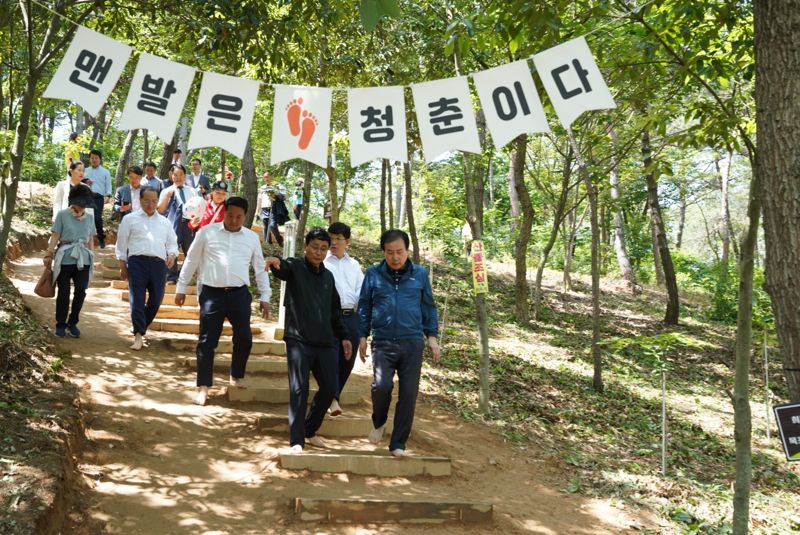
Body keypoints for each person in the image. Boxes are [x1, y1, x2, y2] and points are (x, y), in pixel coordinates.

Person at [175, 197, 271, 406]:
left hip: (239, 295)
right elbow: (191, 259)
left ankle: (236, 375)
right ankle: (203, 387)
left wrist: (265, 296)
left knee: (244, 339)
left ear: (245, 217)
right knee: (207, 342)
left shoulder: (251, 238)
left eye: (239, 217)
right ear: (224, 213)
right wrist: (181, 288)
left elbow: (260, 266)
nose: (234, 220)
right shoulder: (207, 232)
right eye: (230, 215)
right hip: (212, 294)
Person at [265, 228, 352, 452]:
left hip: (324, 342)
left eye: (323, 249)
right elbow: (283, 268)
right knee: (298, 388)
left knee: (330, 388)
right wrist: (276, 262)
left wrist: (343, 337)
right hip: (298, 339)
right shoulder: (296, 266)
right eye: (314, 247)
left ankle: (309, 429)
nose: (318, 252)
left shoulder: (328, 276)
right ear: (306, 246)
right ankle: (297, 440)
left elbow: (335, 311)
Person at [358, 229, 440, 457]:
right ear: (383, 252)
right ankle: (379, 420)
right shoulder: (373, 273)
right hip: (383, 341)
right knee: (381, 386)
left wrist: (432, 337)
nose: (395, 257)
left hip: (412, 342)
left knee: (409, 393)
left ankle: (398, 443)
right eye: (390, 252)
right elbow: (364, 305)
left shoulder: (420, 274)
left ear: (407, 251)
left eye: (399, 252)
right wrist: (362, 336)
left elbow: (428, 307)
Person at [115, 187, 178, 350]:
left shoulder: (164, 222)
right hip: (137, 263)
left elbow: (172, 243)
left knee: (156, 299)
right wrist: (123, 264)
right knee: (137, 298)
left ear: (158, 201)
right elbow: (121, 243)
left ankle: (140, 324)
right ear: (140, 200)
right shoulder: (130, 219)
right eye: (146, 201)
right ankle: (138, 335)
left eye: (154, 201)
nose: (150, 204)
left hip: (158, 264)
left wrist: (171, 255)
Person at [43, 184, 96, 338]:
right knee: (63, 292)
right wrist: (48, 254)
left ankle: (72, 322)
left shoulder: (90, 217)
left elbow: (90, 239)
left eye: (84, 204)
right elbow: (55, 236)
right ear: (73, 201)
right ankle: (60, 323)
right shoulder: (62, 215)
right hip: (65, 258)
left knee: (81, 290)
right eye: (80, 204)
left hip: (83, 259)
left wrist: (92, 256)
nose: (82, 207)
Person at [323, 222, 364, 417]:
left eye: (339, 238)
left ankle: (333, 395)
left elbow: (362, 291)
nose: (334, 242)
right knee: (330, 358)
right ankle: (333, 398)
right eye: (331, 237)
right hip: (330, 318)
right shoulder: (322, 261)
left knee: (347, 360)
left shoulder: (354, 265)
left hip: (351, 317)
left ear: (347, 242)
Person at [157, 164, 198, 283]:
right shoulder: (166, 191)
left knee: (191, 251)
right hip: (171, 223)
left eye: (181, 174)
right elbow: (160, 210)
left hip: (189, 224)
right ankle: (171, 276)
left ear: (185, 176)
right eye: (175, 174)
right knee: (171, 249)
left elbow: (198, 207)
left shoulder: (192, 191)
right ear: (171, 175)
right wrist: (167, 197)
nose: (178, 177)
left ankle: (185, 275)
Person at [83, 149, 112, 248]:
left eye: (96, 158)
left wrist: (108, 195)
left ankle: (101, 238)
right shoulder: (85, 170)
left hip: (99, 197)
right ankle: (84, 239)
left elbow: (108, 185)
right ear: (89, 159)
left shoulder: (105, 172)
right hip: (86, 196)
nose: (94, 160)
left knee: (97, 218)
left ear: (100, 159)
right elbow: (79, 182)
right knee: (85, 217)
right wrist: (85, 181)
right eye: (92, 158)